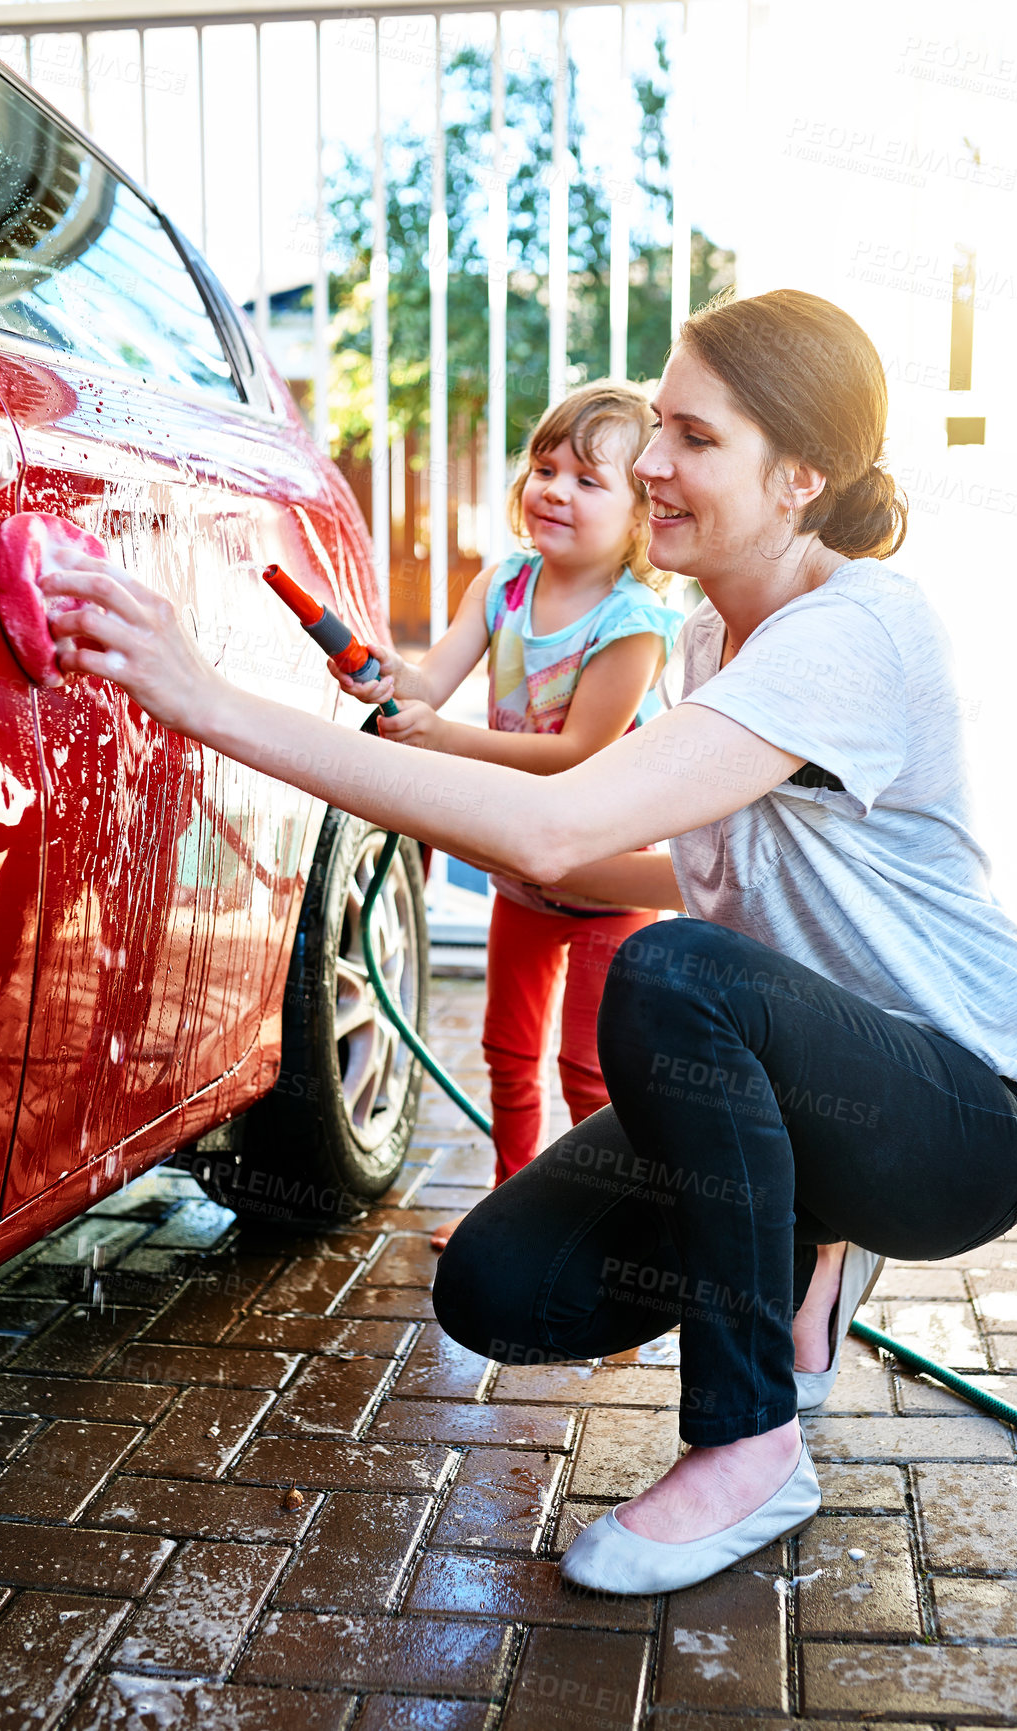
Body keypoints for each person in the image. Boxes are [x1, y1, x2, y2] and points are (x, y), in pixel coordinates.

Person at [44, 288, 1017, 1598]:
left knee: (666, 971)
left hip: (964, 1114)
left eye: (689, 437)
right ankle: (805, 1228)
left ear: (798, 476)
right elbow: (646, 859)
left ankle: (750, 1435)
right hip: (827, 1081)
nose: (647, 464)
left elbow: (555, 830)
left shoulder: (853, 629)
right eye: (657, 427)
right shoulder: (710, 630)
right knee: (498, 1286)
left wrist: (203, 701)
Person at [328, 382, 681, 1250]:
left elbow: (578, 756)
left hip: (608, 879)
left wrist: (444, 739)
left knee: (591, 1073)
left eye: (588, 481)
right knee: (509, 1051)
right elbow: (428, 682)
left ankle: (601, 1229)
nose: (554, 489)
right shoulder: (504, 585)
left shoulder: (635, 624)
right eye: (545, 467)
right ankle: (510, 1207)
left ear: (641, 513)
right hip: (521, 875)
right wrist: (382, 677)